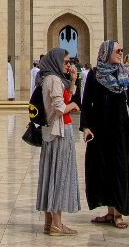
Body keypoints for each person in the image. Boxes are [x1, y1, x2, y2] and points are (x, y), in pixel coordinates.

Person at [82, 39, 129, 228]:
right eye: (117, 50)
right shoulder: (95, 74)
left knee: (119, 168)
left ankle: (118, 213)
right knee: (103, 169)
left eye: (121, 50)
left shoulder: (125, 73)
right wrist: (85, 127)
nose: (120, 53)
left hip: (120, 129)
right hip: (100, 130)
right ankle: (110, 212)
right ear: (106, 52)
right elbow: (87, 102)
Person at [33, 47, 81, 237]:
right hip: (59, 133)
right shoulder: (53, 80)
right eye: (66, 62)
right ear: (56, 61)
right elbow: (60, 108)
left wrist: (74, 81)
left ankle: (48, 222)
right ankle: (57, 225)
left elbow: (63, 97)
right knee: (59, 177)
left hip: (51, 133)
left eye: (70, 62)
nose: (69, 65)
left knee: (49, 176)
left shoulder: (49, 79)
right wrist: (74, 105)